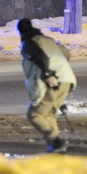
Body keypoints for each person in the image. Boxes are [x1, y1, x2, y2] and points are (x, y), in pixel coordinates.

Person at [17, 17, 76, 154]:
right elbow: (66, 53)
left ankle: (57, 140)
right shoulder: (48, 41)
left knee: (35, 115)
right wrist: (59, 68)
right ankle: (55, 146)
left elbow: (41, 58)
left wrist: (49, 74)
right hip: (67, 79)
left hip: (53, 81)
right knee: (48, 114)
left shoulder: (29, 43)